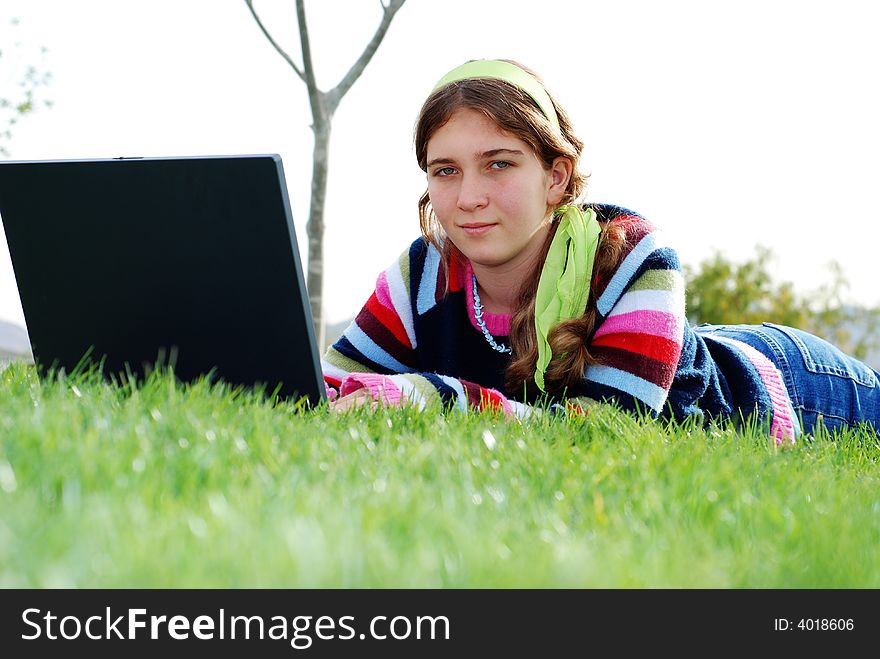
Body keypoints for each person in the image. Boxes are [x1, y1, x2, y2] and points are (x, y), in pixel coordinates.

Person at [321, 58, 880, 443]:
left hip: (798, 388)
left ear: (557, 178)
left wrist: (430, 396)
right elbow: (315, 391)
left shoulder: (634, 255)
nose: (469, 198)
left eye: (499, 163)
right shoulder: (422, 274)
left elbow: (600, 434)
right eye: (446, 171)